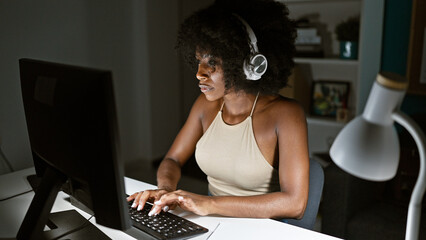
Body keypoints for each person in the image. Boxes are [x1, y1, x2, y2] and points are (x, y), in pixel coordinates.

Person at [127, 0, 309, 221]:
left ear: (247, 63)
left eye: (212, 62)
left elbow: (295, 204)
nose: (199, 74)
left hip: (262, 229)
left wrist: (209, 203)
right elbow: (172, 160)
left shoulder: (286, 114)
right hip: (212, 222)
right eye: (198, 62)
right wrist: (165, 189)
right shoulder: (205, 105)